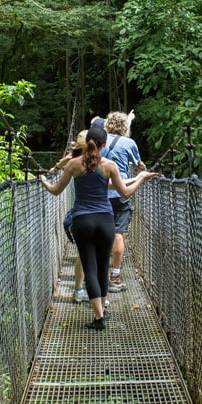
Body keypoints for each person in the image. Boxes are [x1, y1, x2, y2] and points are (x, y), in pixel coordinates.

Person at [41, 125, 158, 330]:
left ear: (86, 143)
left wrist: (43, 180)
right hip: (106, 221)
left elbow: (55, 190)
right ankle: (101, 311)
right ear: (104, 145)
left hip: (82, 221)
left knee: (90, 268)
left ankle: (99, 318)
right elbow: (124, 192)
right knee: (103, 267)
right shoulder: (110, 165)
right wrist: (140, 178)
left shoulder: (74, 165)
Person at [101, 111, 145, 293]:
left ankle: (98, 274)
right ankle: (115, 276)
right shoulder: (129, 143)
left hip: (100, 192)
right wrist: (143, 168)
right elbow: (137, 163)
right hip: (121, 192)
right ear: (125, 127)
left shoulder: (99, 141)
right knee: (119, 233)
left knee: (101, 234)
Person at [54, 130, 89, 303]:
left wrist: (53, 171)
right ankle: (96, 293)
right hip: (98, 213)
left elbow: (56, 189)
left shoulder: (71, 161)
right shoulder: (101, 161)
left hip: (77, 213)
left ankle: (78, 289)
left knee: (83, 254)